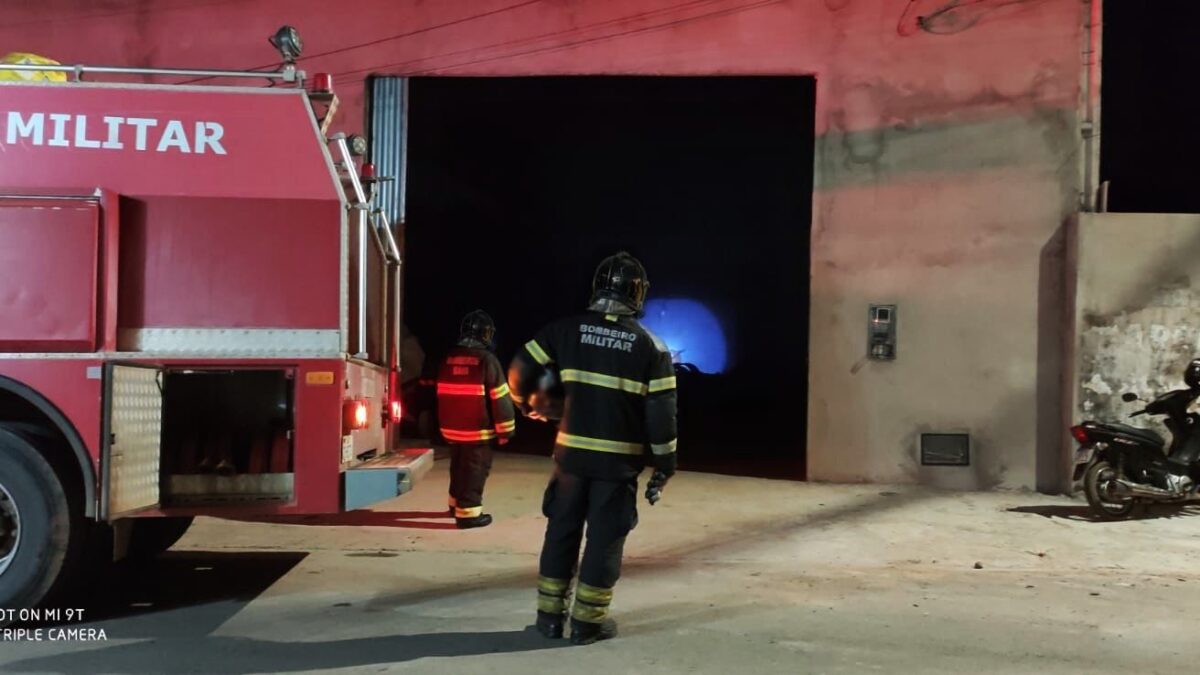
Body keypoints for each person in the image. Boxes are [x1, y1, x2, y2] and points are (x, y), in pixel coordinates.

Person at [508, 251, 678, 645]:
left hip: (570, 459)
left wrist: (536, 405)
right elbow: (661, 415)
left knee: (561, 532)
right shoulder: (652, 347)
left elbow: (519, 371)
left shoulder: (565, 330)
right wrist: (665, 463)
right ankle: (586, 624)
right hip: (617, 466)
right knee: (604, 539)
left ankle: (549, 620)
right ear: (638, 293)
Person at [436, 310, 516, 529]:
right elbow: (500, 399)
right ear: (486, 334)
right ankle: (468, 514)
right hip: (477, 431)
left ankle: (454, 504)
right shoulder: (487, 360)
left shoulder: (448, 357)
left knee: (458, 466)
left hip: (451, 429)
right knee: (474, 470)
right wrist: (505, 431)